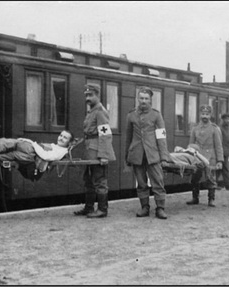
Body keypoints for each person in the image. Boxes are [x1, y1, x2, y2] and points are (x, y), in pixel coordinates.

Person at [125, 87, 172, 219]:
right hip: (136, 154)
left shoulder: (156, 115)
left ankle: (160, 208)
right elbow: (128, 137)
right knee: (141, 183)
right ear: (137, 99)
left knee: (158, 181)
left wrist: (164, 157)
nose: (143, 101)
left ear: (150, 100)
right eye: (141, 98)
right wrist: (127, 156)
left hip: (153, 155)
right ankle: (144, 207)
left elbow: (162, 137)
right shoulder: (131, 115)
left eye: (146, 98)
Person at [74, 85, 116, 218]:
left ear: (97, 95)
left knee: (99, 180)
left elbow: (105, 135)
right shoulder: (91, 111)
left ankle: (102, 209)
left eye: (91, 95)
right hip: (89, 149)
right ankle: (89, 207)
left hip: (97, 150)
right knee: (88, 179)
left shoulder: (100, 112)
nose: (88, 98)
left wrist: (103, 155)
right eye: (86, 95)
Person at [187, 105, 224, 207]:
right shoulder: (195, 129)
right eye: (203, 114)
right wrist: (189, 157)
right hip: (198, 157)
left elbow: (218, 145)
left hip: (210, 157)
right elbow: (191, 145)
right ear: (200, 114)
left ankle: (211, 199)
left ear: (210, 115)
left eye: (207, 114)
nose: (205, 116)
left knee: (210, 179)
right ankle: (195, 198)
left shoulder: (214, 129)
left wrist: (220, 160)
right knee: (195, 178)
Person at [217, 113, 229, 190]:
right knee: (224, 169)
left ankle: (214, 184)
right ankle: (228, 185)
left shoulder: (225, 129)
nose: (228, 121)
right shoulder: (220, 129)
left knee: (220, 169)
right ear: (223, 120)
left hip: (225, 152)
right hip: (222, 152)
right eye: (227, 119)